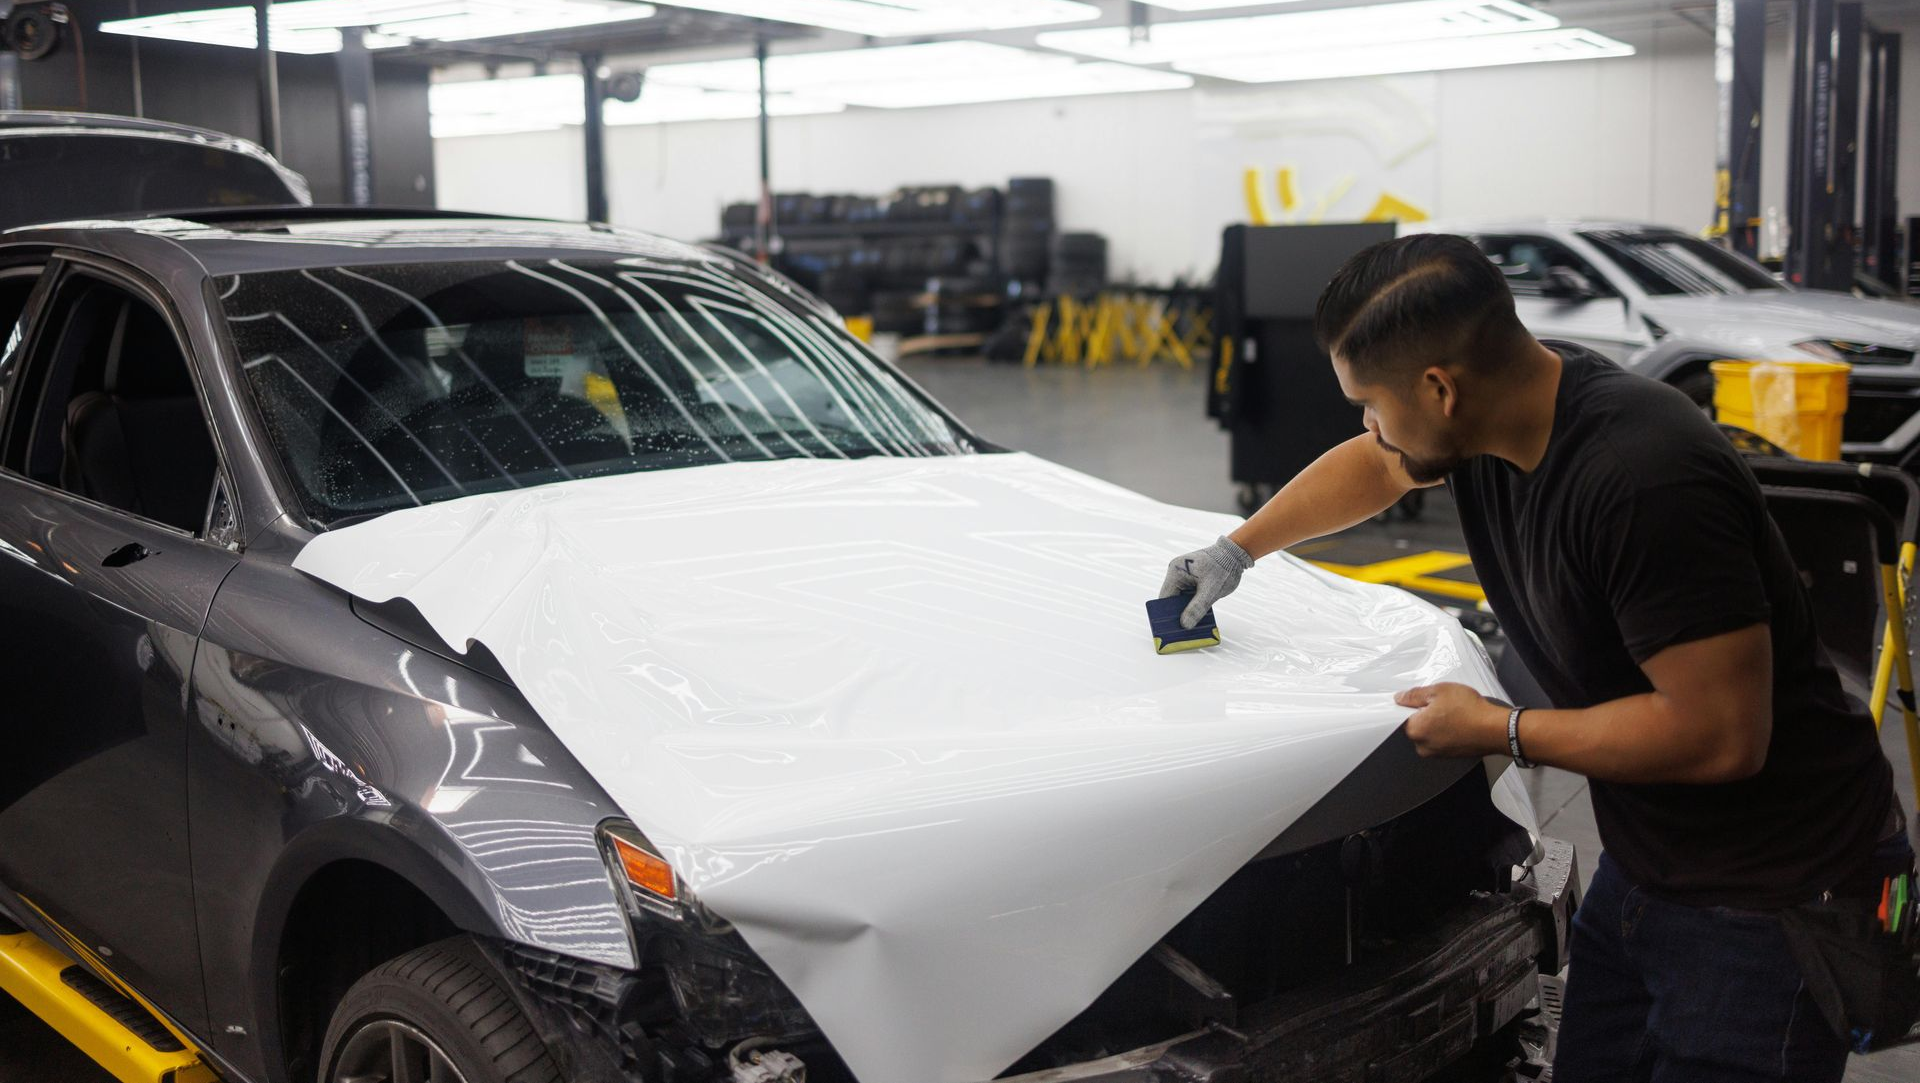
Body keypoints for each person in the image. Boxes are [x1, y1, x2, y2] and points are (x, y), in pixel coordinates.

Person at [1160, 233, 1905, 1082]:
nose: (1366, 424)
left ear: (1440, 388)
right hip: (1651, 857)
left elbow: (1720, 735)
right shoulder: (1502, 408)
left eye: (1370, 401)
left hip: (1770, 892)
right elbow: (1378, 463)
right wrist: (1238, 550)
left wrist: (1500, 727)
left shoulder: (1641, 480)